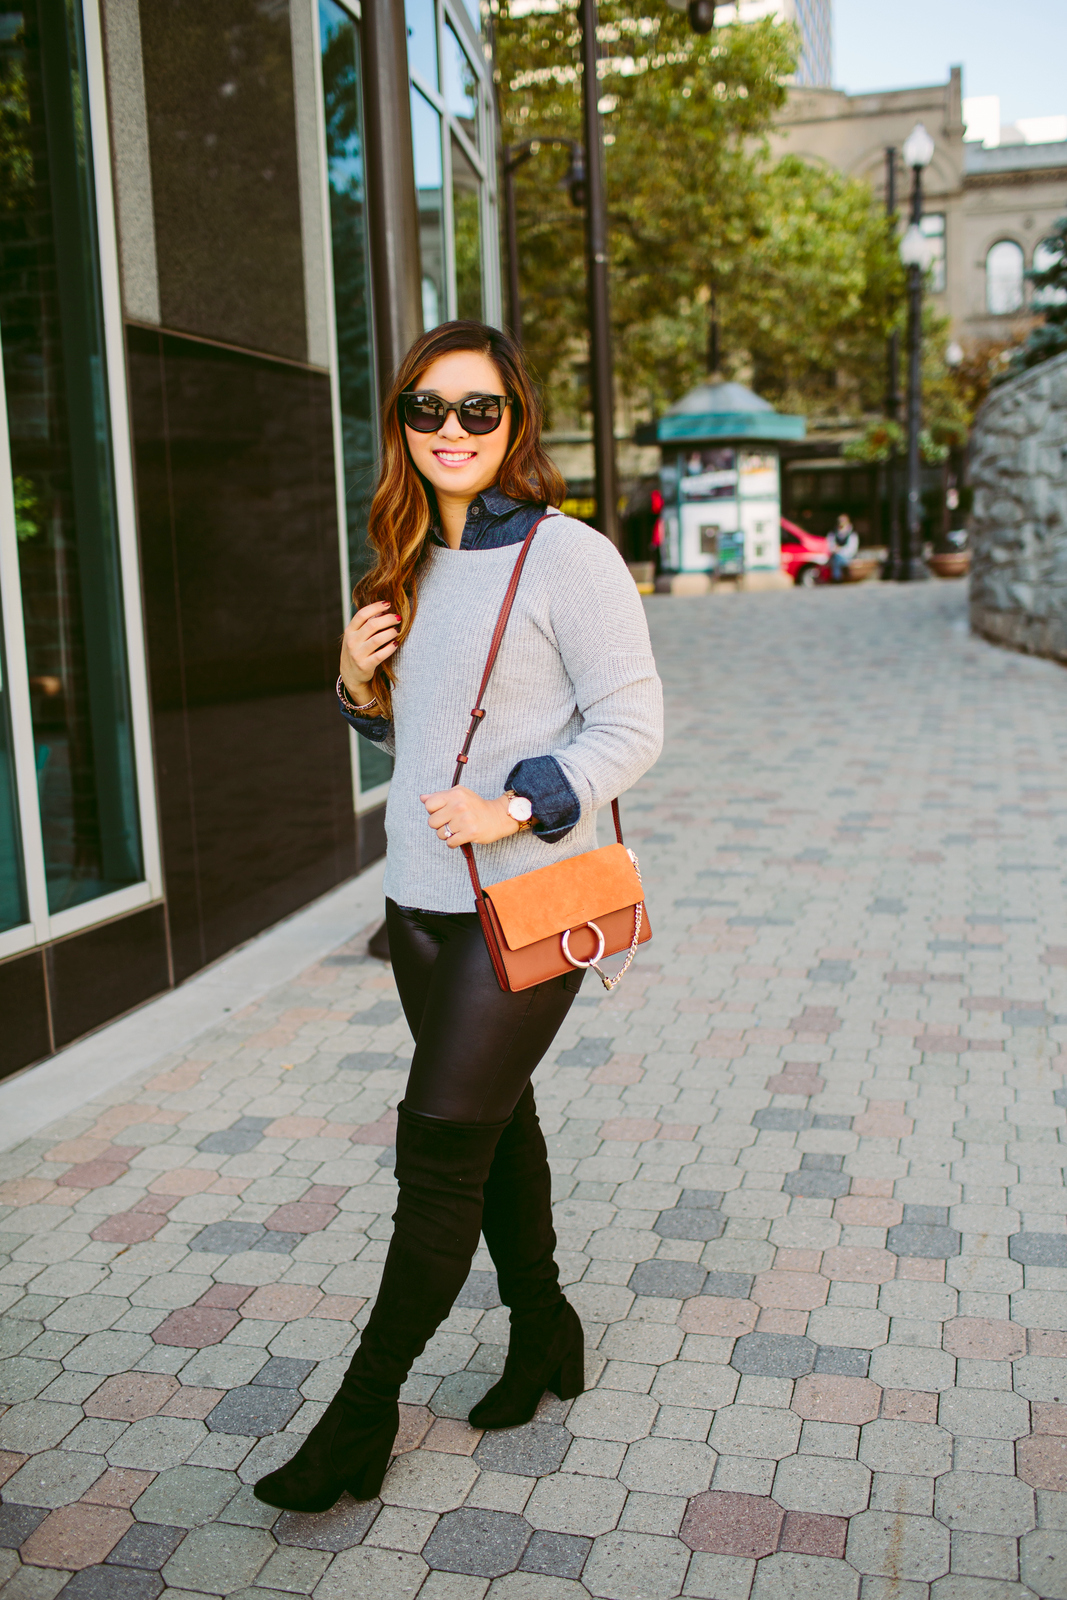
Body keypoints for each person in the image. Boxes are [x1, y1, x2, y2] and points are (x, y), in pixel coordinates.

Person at [254, 321, 664, 1514]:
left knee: (436, 1155)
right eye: (425, 410)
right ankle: (542, 1328)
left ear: (515, 421)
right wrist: (350, 679)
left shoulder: (567, 556)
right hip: (419, 908)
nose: (449, 431)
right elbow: (418, 738)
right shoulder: (402, 556)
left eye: (475, 410)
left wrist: (514, 805)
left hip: (525, 903)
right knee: (494, 1128)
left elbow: (629, 727)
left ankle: (360, 1413)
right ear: (401, 425)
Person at [829, 513, 858, 583]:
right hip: (836, 557)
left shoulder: (852, 535)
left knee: (837, 558)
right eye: (839, 521)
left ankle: (837, 578)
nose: (841, 523)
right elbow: (830, 547)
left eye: (843, 521)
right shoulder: (833, 534)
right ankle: (838, 577)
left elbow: (851, 550)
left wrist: (839, 550)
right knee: (836, 558)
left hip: (848, 558)